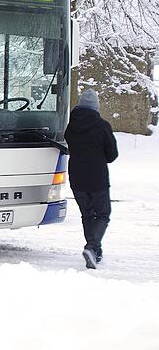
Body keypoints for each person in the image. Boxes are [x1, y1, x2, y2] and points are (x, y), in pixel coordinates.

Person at [64, 89, 118, 269]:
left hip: (77, 177)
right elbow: (112, 155)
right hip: (97, 178)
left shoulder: (70, 126)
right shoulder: (102, 126)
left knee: (87, 214)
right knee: (103, 214)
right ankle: (92, 247)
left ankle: (95, 251)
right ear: (96, 107)